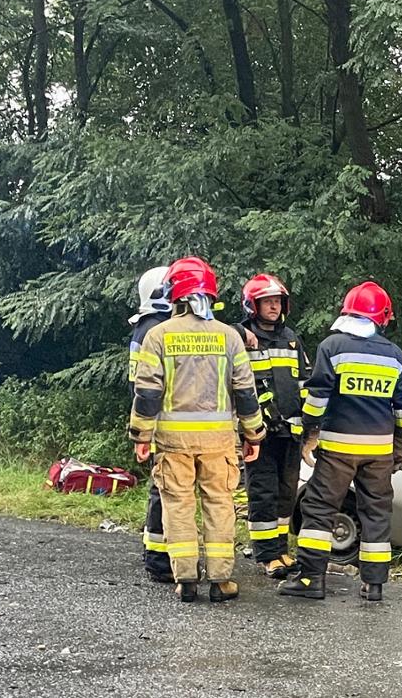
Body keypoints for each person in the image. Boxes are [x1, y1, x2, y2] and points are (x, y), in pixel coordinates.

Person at [129, 256, 265, 603]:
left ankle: (185, 579)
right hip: (219, 440)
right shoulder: (229, 337)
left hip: (173, 440)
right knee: (219, 504)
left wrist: (141, 435)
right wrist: (254, 434)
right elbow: (245, 391)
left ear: (174, 294)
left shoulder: (157, 336)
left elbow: (147, 392)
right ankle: (221, 581)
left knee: (177, 505)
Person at [281, 281, 402, 602]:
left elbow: (317, 399)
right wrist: (400, 448)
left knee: (318, 508)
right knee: (376, 513)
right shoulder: (396, 357)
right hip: (379, 452)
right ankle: (374, 585)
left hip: (339, 450)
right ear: (383, 317)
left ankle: (311, 580)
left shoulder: (332, 347)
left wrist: (309, 436)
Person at [236, 273, 310, 579]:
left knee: (285, 493)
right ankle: (266, 555)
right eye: (267, 301)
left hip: (290, 432)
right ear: (252, 305)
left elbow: (305, 382)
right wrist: (238, 331)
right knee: (262, 492)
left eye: (278, 301)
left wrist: (309, 427)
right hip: (258, 433)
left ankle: (281, 549)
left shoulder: (291, 338)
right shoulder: (240, 337)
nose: (274, 307)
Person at [128, 265, 174, 582]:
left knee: (161, 487)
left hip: (157, 420)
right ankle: (158, 559)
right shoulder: (154, 331)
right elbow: (143, 386)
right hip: (164, 422)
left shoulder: (148, 328)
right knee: (164, 488)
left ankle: (154, 549)